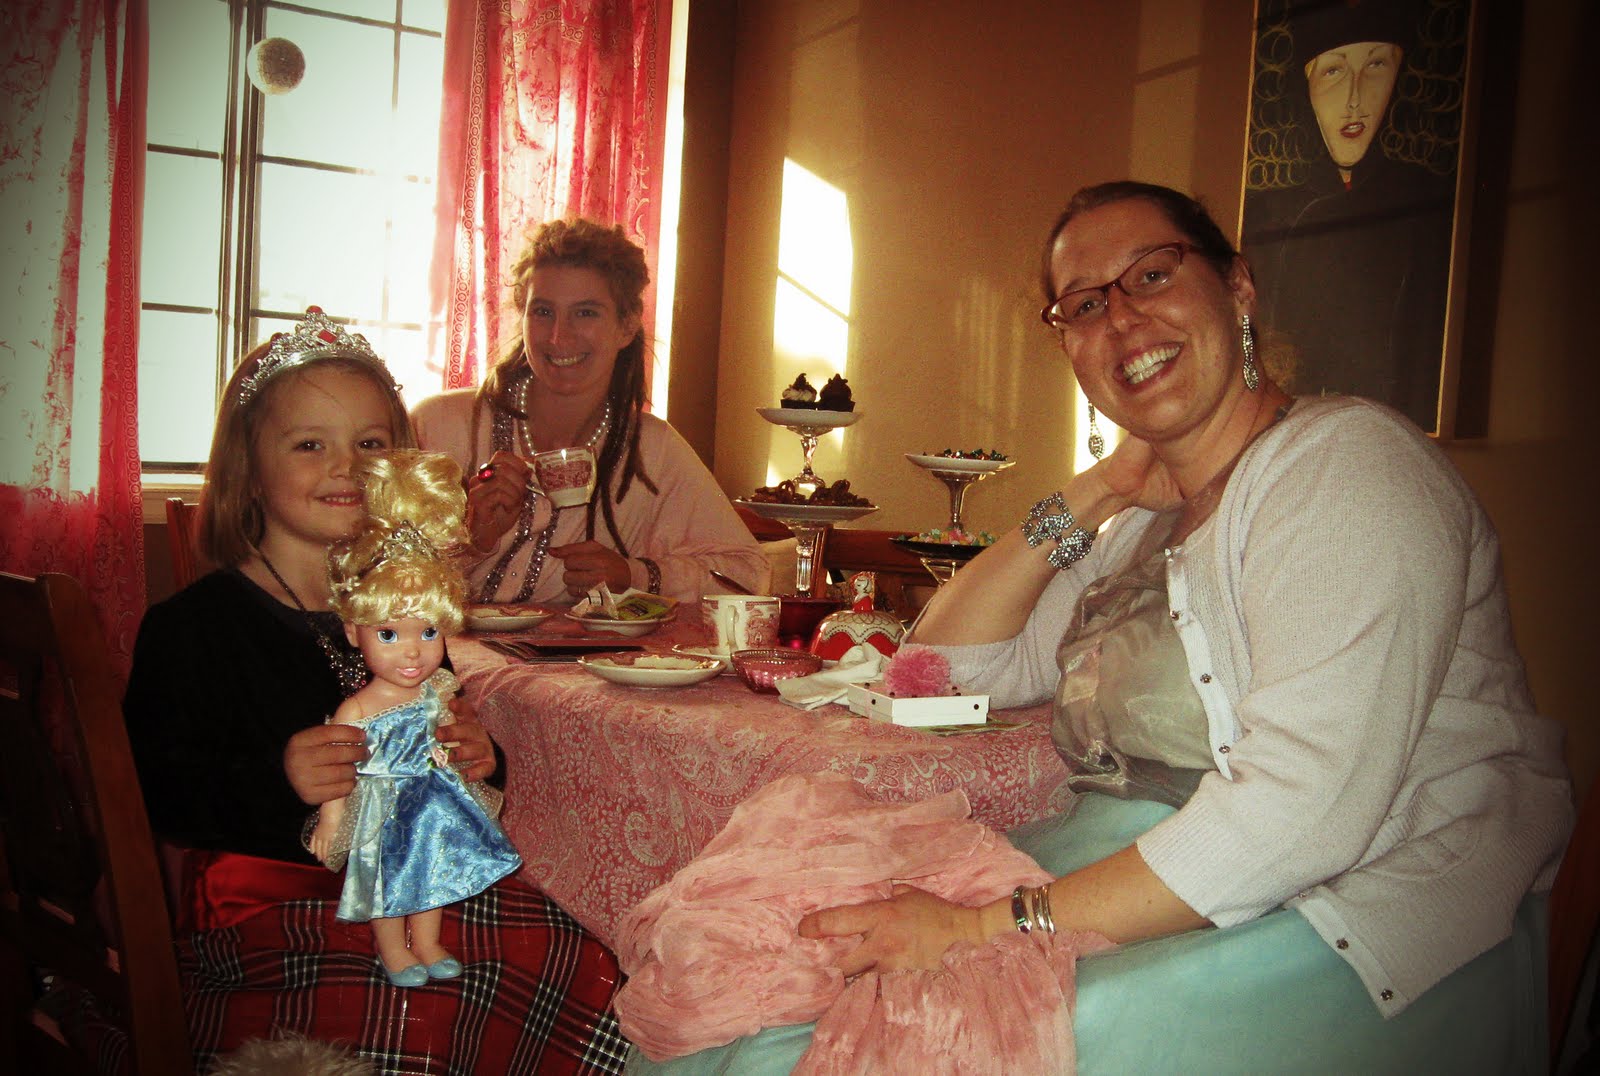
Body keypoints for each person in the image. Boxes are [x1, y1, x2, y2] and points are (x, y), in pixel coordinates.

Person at [634, 182, 1573, 1072]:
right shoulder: (1138, 525)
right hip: (1139, 876)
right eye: (1084, 305)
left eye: (1152, 275)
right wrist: (1103, 487)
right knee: (755, 990)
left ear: (1237, 287)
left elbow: (1302, 815)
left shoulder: (1348, 471)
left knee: (840, 1049)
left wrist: (980, 927)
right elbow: (946, 668)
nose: (1121, 319)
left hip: (1344, 917)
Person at [124, 309, 627, 1073]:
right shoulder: (194, 626)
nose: (346, 467)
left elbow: (440, 747)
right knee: (445, 997)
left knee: (572, 944)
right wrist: (282, 779)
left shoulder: (404, 618)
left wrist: (479, 757)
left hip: (408, 888)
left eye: (369, 445)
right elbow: (158, 790)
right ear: (249, 468)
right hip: (267, 912)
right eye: (309, 445)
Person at [412, 218, 770, 605]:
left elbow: (747, 576)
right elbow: (377, 576)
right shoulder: (439, 426)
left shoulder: (651, 451)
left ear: (627, 326)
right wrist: (474, 541)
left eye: (585, 313)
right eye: (543, 312)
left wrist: (634, 576)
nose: (559, 336)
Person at [312, 450, 522, 986]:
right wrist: (332, 819)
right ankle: (392, 949)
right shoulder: (358, 708)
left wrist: (458, 756)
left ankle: (427, 942)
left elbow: (448, 732)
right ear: (354, 631)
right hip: (382, 807)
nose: (412, 651)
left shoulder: (437, 688)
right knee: (387, 882)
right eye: (389, 634)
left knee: (436, 874)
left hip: (433, 800)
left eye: (428, 632)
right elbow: (338, 767)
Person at [1241, 0, 1457, 430]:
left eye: (1375, 66)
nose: (1355, 100)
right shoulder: (1270, 215)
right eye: (1334, 72)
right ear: (1307, 82)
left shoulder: (1426, 205)